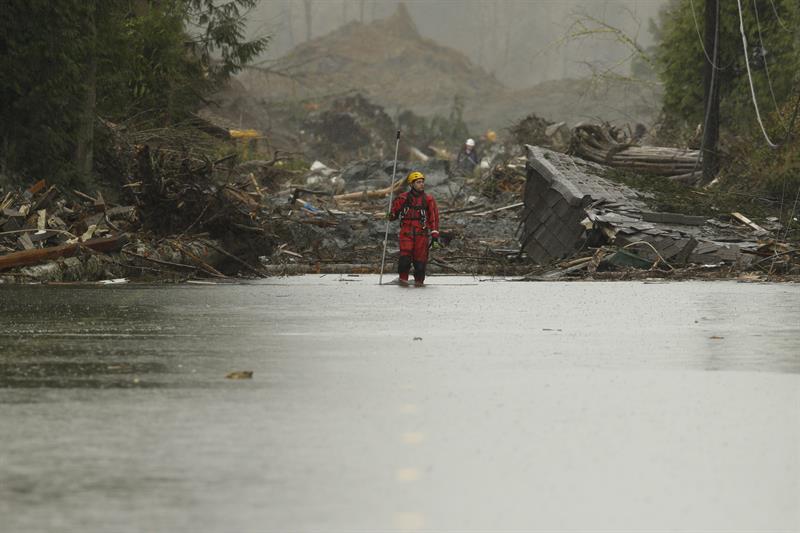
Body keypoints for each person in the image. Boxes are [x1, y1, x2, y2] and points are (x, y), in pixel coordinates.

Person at [389, 171, 440, 287]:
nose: (421, 184)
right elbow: (392, 216)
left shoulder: (428, 200)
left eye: (422, 182)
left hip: (421, 234)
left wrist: (435, 236)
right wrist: (389, 215)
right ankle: (403, 283)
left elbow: (434, 218)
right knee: (404, 261)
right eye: (418, 182)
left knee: (420, 264)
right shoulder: (402, 198)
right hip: (406, 233)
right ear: (411, 184)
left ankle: (419, 284)